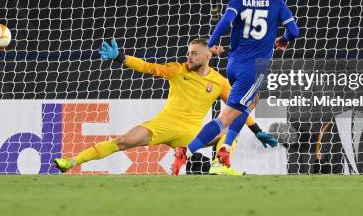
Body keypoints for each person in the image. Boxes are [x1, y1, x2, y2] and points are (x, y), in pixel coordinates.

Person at [53, 38, 277, 176]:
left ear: (208, 55)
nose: (188, 56)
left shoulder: (219, 82)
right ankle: (71, 162)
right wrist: (121, 58)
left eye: (194, 53)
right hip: (163, 125)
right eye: (188, 52)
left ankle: (220, 166)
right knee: (121, 142)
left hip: (191, 134)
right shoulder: (177, 70)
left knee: (227, 130)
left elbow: (236, 109)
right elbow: (149, 67)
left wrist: (257, 131)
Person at [172, 0, 299, 174]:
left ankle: (224, 151)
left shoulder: (237, 3)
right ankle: (188, 152)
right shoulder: (276, 3)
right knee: (226, 118)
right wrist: (283, 40)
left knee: (251, 102)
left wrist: (211, 44)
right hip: (254, 70)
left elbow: (225, 23)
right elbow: (294, 31)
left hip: (233, 65)